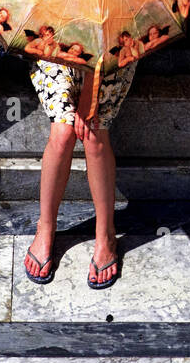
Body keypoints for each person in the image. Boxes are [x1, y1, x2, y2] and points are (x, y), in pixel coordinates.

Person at [22, 58, 137, 290]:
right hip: (57, 45)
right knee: (62, 133)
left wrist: (89, 95)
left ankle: (106, 234)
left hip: (112, 53)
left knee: (94, 134)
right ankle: (45, 227)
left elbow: (107, 35)